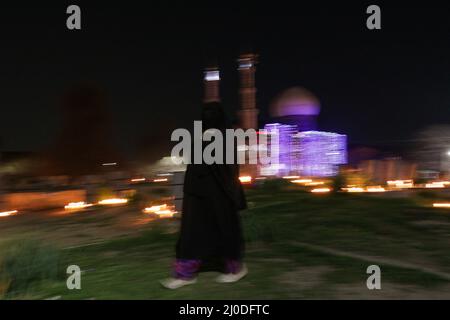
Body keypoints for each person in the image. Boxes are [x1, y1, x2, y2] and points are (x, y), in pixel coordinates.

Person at [161, 102, 247, 289]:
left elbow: (228, 169)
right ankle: (186, 274)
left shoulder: (226, 138)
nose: (209, 117)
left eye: (212, 114)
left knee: (223, 230)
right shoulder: (205, 137)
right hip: (198, 196)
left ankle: (234, 269)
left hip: (219, 195)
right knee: (192, 234)